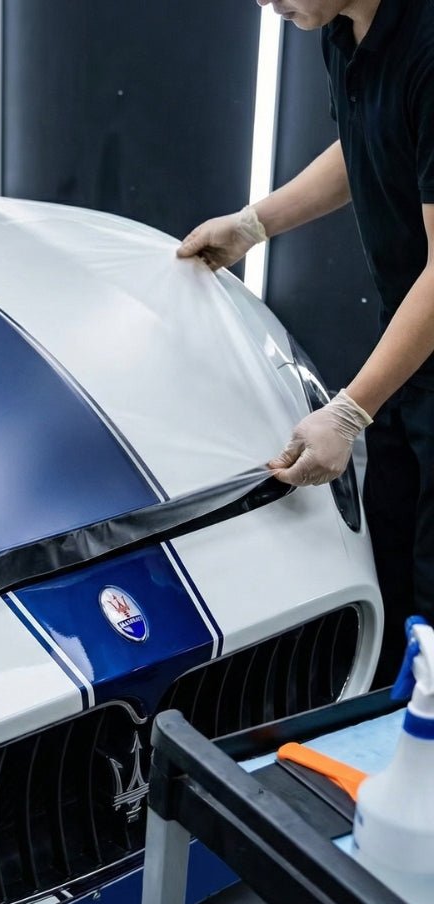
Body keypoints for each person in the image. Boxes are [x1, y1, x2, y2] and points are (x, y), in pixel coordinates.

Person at [177, 0, 434, 686]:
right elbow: (368, 145)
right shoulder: (345, 29)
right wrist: (251, 224)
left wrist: (350, 412)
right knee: (396, 567)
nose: (267, 2)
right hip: (411, 349)